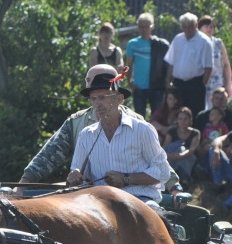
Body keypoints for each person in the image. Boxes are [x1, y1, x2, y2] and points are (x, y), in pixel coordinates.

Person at [20, 64, 180, 192]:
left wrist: (174, 187)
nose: (92, 86)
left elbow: (160, 165)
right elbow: (48, 156)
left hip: (138, 198)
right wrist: (22, 185)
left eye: (103, 95)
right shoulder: (77, 124)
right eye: (88, 81)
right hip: (96, 201)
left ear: (119, 98)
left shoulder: (138, 124)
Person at [67, 70, 170, 209]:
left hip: (140, 200)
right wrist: (74, 177)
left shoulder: (142, 129)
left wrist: (126, 178)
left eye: (103, 97)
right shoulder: (86, 135)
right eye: (93, 99)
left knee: (152, 214)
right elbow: (79, 174)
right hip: (100, 204)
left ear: (119, 99)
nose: (97, 104)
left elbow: (163, 171)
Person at [164, 12, 212, 117]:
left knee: (195, 113)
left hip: (195, 83)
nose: (187, 30)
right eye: (184, 27)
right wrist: (168, 80)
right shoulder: (178, 39)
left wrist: (202, 83)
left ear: (195, 25)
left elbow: (208, 67)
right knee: (177, 112)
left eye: (190, 27)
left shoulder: (204, 41)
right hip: (178, 83)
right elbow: (171, 61)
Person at [124, 13, 169, 117]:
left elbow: (167, 65)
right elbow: (128, 64)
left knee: (156, 117)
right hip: (139, 87)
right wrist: (129, 81)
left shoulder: (160, 45)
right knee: (139, 117)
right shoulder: (133, 43)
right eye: (141, 26)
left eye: (146, 26)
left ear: (152, 26)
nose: (144, 29)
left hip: (156, 86)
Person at [199, 15, 231, 110]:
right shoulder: (196, 43)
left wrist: (228, 83)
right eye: (206, 26)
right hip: (201, 84)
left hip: (217, 84)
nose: (209, 29)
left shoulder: (218, 43)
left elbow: (225, 65)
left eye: (212, 26)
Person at [162, 106, 200, 185]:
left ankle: (184, 179)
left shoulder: (195, 133)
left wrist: (180, 155)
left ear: (190, 119)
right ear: (177, 120)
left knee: (182, 150)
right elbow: (165, 146)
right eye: (180, 119)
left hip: (188, 158)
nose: (183, 121)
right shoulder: (171, 131)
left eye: (185, 119)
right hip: (172, 157)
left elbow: (192, 150)